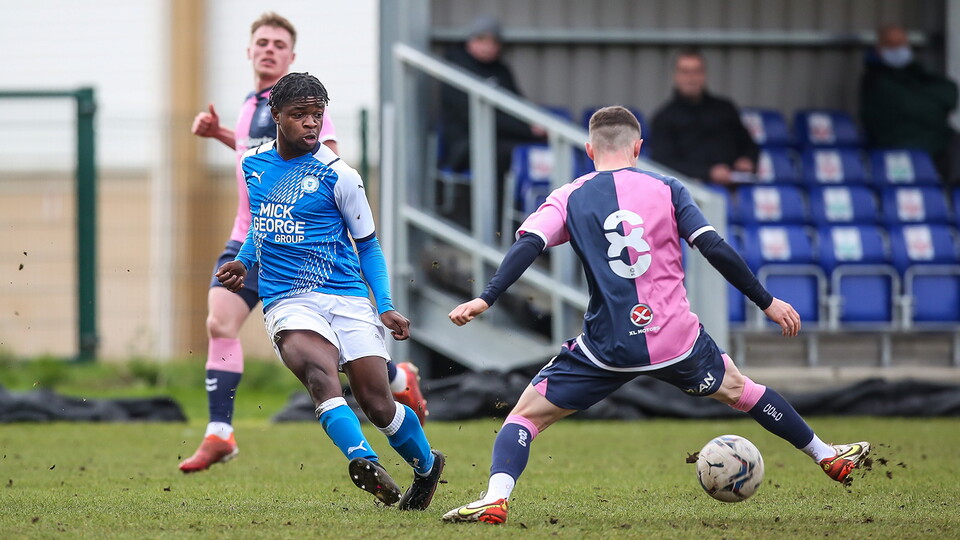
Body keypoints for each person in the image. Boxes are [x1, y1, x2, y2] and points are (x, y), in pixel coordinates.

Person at [441, 106, 870, 525]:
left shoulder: (567, 196)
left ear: (589, 150)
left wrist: (486, 298)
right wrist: (767, 301)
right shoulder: (668, 188)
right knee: (745, 391)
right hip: (675, 341)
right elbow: (715, 248)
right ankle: (825, 454)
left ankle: (496, 499)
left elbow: (527, 245)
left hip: (606, 347)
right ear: (638, 147)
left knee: (524, 417)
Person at [180, 12, 427, 475]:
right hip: (250, 238)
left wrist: (383, 297)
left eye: (278, 43)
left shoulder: (312, 108)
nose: (269, 49)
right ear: (249, 51)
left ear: (291, 56)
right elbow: (259, 154)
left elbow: (317, 164)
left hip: (310, 253)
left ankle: (395, 376)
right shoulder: (251, 105)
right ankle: (219, 432)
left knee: (363, 379)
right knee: (220, 322)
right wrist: (218, 134)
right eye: (262, 42)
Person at [216, 72, 444, 509]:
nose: (310, 124)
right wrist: (244, 261)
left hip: (347, 296)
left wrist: (386, 306)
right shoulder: (253, 164)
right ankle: (363, 460)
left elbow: (369, 245)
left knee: (377, 403)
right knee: (320, 376)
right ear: (276, 116)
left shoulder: (341, 176)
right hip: (288, 298)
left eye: (316, 115)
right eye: (299, 115)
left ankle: (426, 465)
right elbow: (262, 224)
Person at [438, 14, 546, 225]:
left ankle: (535, 220)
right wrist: (527, 130)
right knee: (504, 155)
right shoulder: (455, 67)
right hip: (464, 144)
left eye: (493, 42)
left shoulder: (501, 70)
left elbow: (517, 106)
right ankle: (495, 225)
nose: (488, 47)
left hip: (503, 138)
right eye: (481, 40)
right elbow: (472, 115)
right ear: (470, 41)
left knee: (537, 153)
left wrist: (535, 126)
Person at [860, 24, 960, 185]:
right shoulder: (875, 80)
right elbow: (906, 105)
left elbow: (950, 92)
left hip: (936, 142)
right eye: (891, 44)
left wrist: (925, 104)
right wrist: (935, 108)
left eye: (902, 43)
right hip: (897, 144)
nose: (898, 49)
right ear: (879, 49)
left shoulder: (916, 72)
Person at [650, 49, 759, 187]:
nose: (691, 78)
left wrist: (748, 160)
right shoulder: (663, 118)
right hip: (691, 192)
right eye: (685, 72)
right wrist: (708, 172)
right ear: (676, 76)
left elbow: (750, 145)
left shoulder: (725, 109)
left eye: (697, 72)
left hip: (734, 188)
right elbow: (662, 164)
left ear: (704, 75)